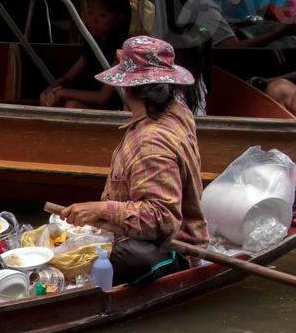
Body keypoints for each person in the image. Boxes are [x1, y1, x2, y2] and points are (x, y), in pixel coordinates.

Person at [59, 36, 209, 285]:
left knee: (124, 259)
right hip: (152, 235)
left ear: (128, 88)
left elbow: (161, 218)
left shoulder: (151, 142)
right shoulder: (176, 110)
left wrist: (100, 208)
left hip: (168, 249)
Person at [40, 0, 133, 109]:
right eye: (89, 12)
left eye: (102, 15)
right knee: (49, 100)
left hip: (114, 108)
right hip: (88, 99)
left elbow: (103, 97)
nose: (93, 20)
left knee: (72, 106)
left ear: (119, 18)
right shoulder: (93, 44)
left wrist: (63, 92)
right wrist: (50, 90)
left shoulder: (123, 49)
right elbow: (68, 77)